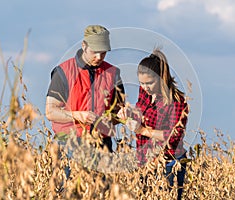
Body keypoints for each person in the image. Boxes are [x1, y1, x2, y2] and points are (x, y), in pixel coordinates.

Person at [118, 48, 188, 200]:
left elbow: (172, 137)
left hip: (169, 164)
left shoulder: (177, 101)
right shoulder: (145, 93)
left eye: (149, 83)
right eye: (141, 83)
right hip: (145, 162)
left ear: (161, 77)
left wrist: (142, 130)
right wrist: (126, 114)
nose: (145, 87)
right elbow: (140, 113)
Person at [45, 24, 125, 154]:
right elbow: (50, 112)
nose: (99, 57)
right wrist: (79, 115)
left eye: (103, 53)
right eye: (94, 52)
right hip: (68, 142)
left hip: (102, 144)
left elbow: (118, 112)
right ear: (84, 46)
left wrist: (121, 115)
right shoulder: (63, 72)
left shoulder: (113, 73)